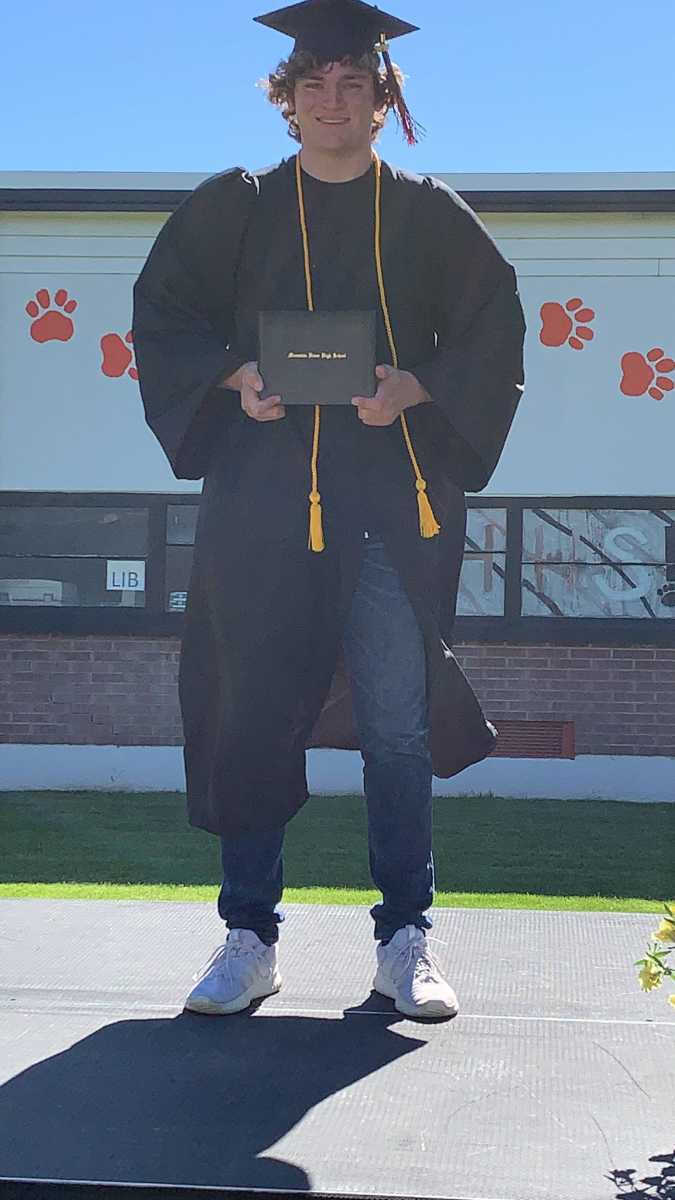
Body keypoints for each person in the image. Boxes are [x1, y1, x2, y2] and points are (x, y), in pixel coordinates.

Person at [132, 0, 526, 1021]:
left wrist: (418, 387)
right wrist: (234, 378)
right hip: (264, 505)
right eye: (314, 85)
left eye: (354, 84)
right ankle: (248, 939)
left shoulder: (428, 213)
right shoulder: (236, 208)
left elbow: (493, 327)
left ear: (383, 101)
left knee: (396, 726)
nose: (333, 102)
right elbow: (164, 316)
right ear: (287, 99)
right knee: (251, 714)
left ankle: (404, 940)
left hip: (390, 505)